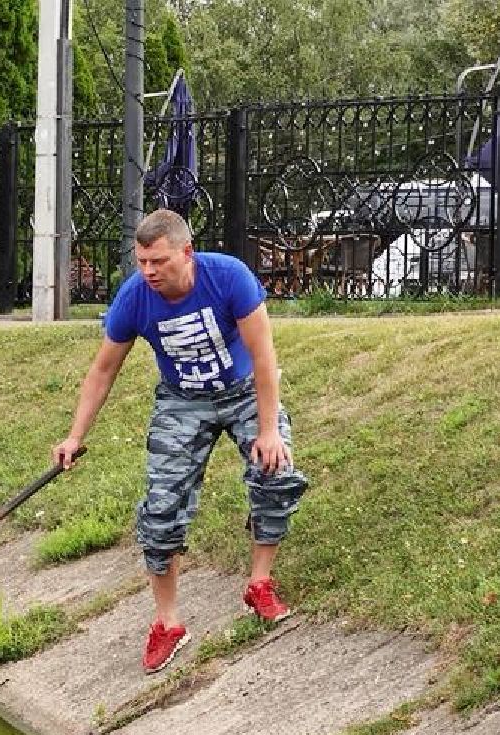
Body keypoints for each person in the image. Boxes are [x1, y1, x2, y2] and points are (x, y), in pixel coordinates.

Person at [51, 209, 309, 674]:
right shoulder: (134, 298)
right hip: (181, 401)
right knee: (160, 510)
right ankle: (168, 624)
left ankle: (259, 583)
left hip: (244, 392)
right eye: (142, 261)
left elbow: (264, 355)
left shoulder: (229, 277)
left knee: (277, 474)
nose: (149, 271)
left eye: (159, 261)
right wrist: (74, 436)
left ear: (186, 253)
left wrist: (268, 430)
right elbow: (103, 370)